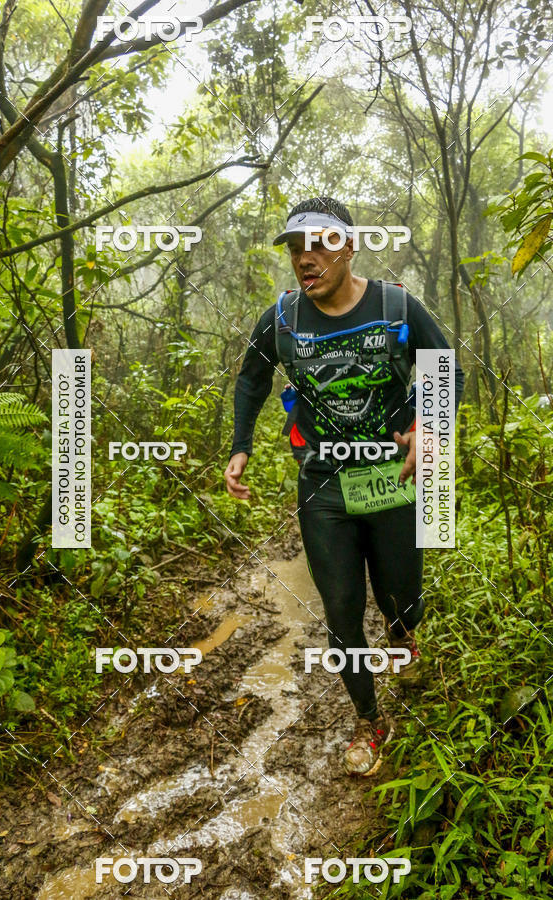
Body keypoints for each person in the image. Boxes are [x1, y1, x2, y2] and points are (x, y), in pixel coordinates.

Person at [224, 197, 464, 776]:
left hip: (391, 479)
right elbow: (252, 380)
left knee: (402, 596)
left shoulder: (394, 304)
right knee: (341, 613)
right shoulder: (281, 319)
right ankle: (367, 720)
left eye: (320, 246)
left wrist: (426, 425)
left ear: (348, 246)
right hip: (323, 487)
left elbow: (445, 367)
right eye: (295, 249)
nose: (305, 260)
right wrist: (241, 445)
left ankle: (403, 628)